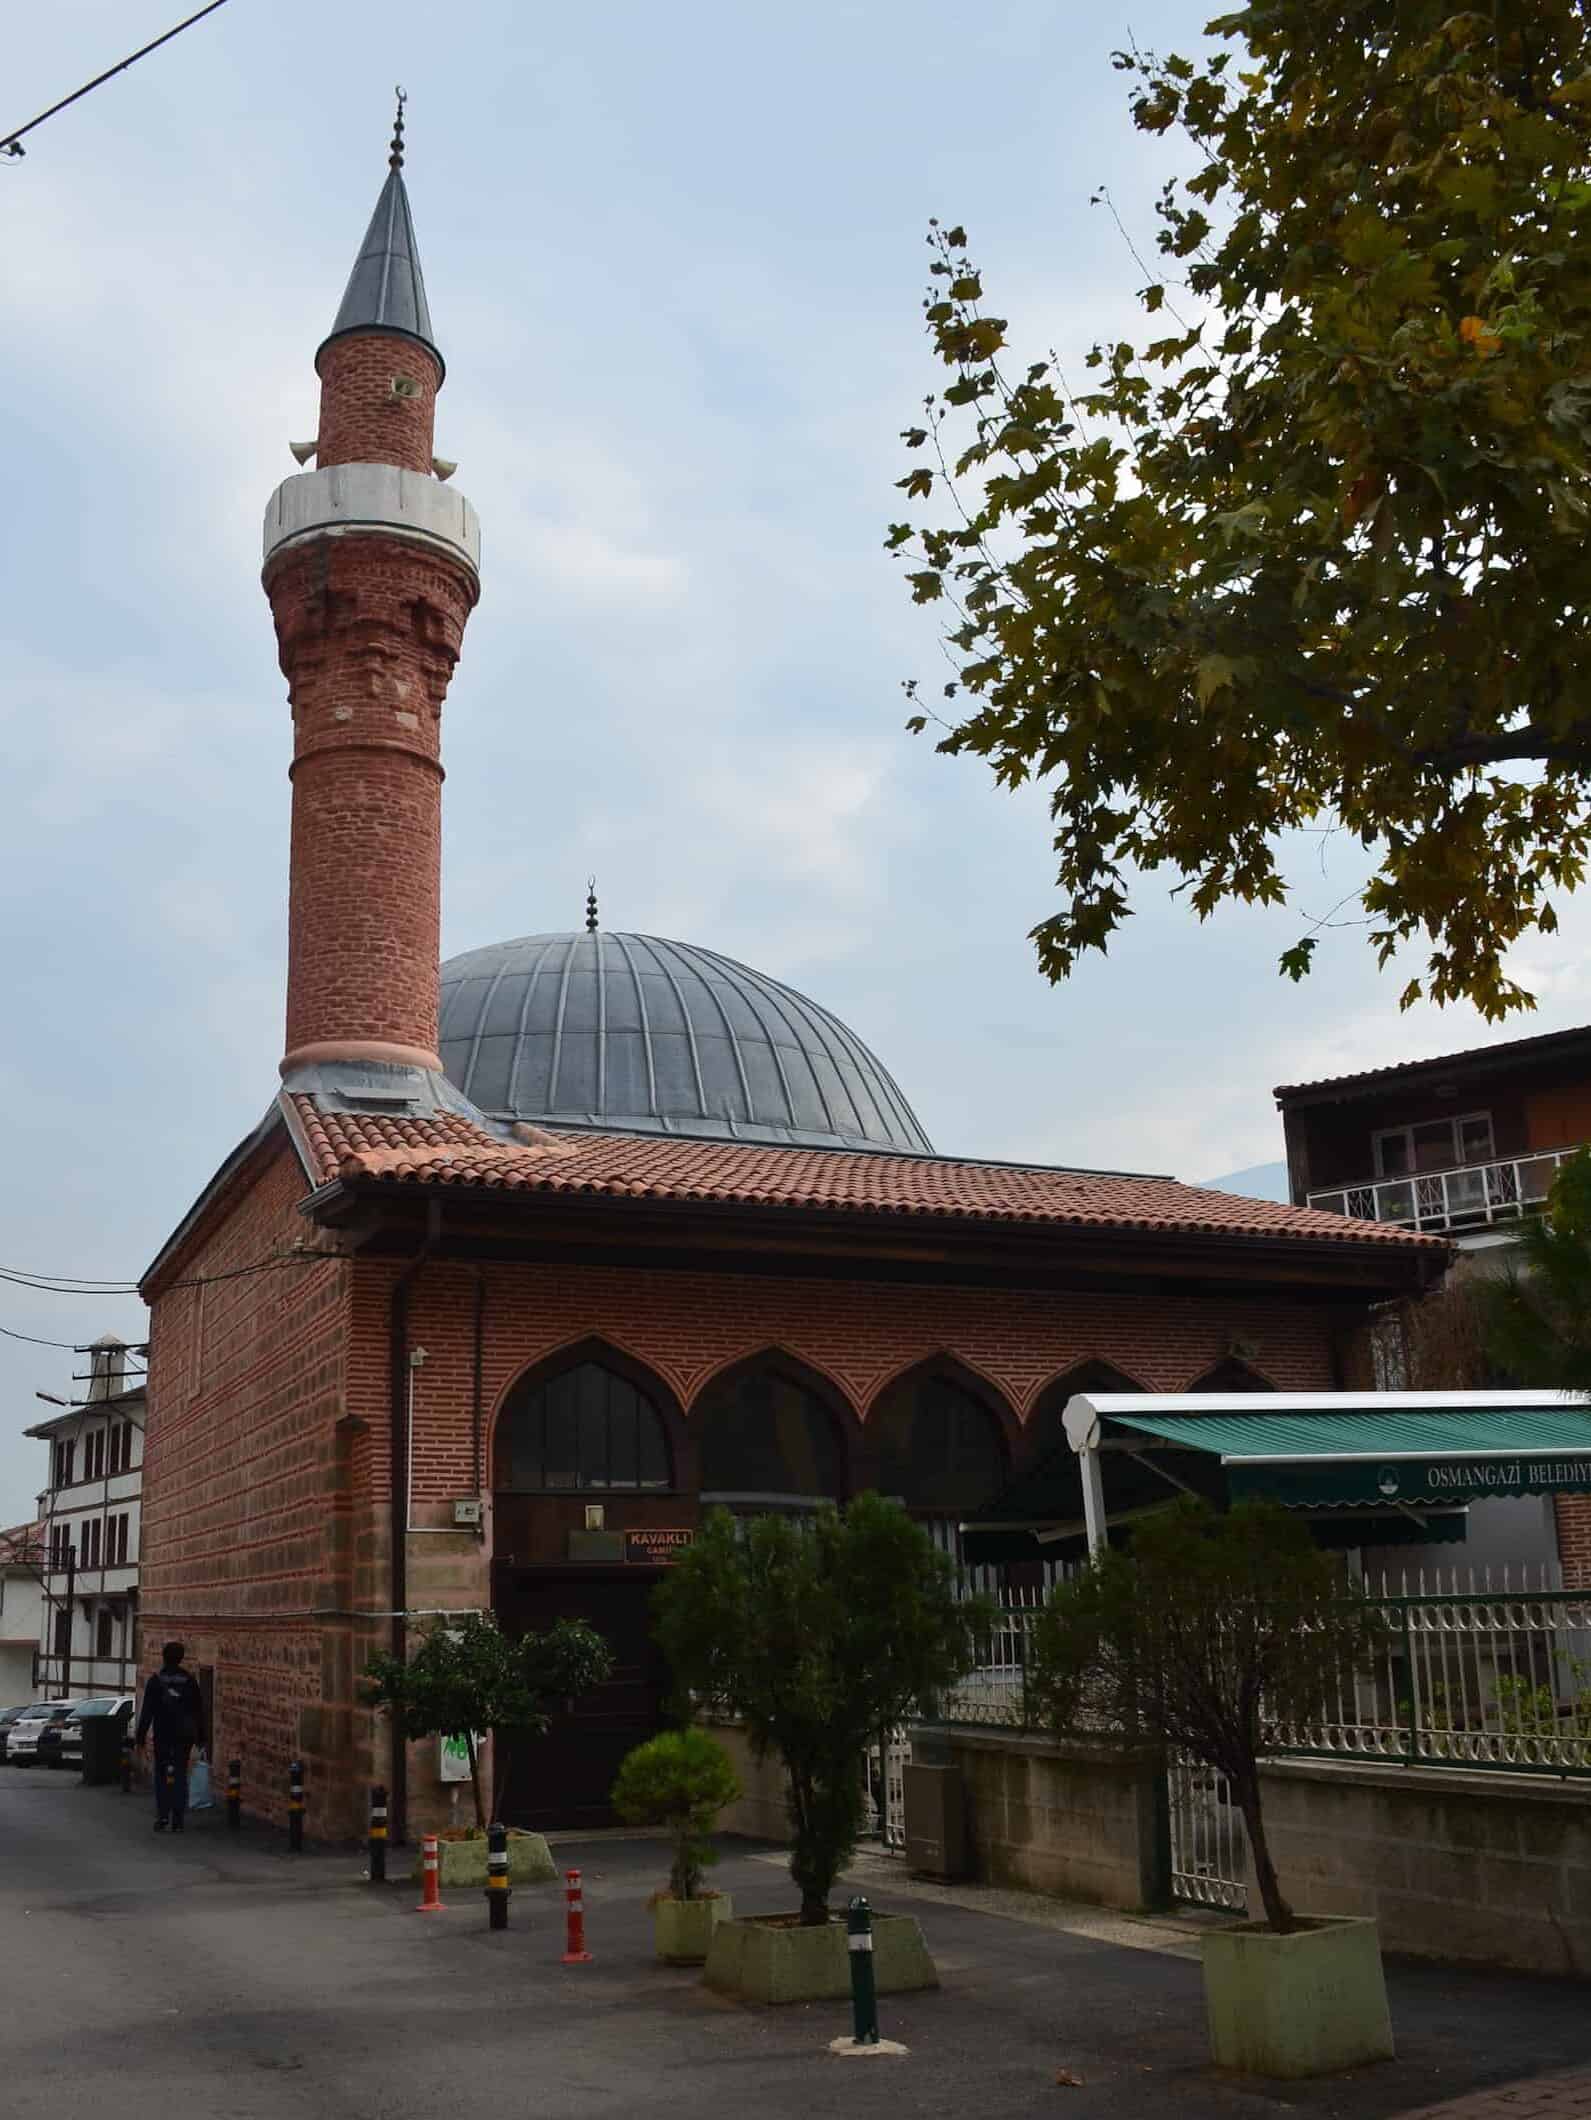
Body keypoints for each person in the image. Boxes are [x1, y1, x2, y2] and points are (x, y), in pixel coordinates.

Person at [134, 1641, 206, 1833]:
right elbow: (198, 1711)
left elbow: (147, 1711)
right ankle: (179, 1818)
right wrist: (201, 1737)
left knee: (161, 1774)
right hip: (184, 1736)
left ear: (163, 1657)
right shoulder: (189, 1680)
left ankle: (163, 1815)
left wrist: (140, 1737)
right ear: (181, 1658)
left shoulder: (156, 1681)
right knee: (181, 1773)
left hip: (163, 1734)